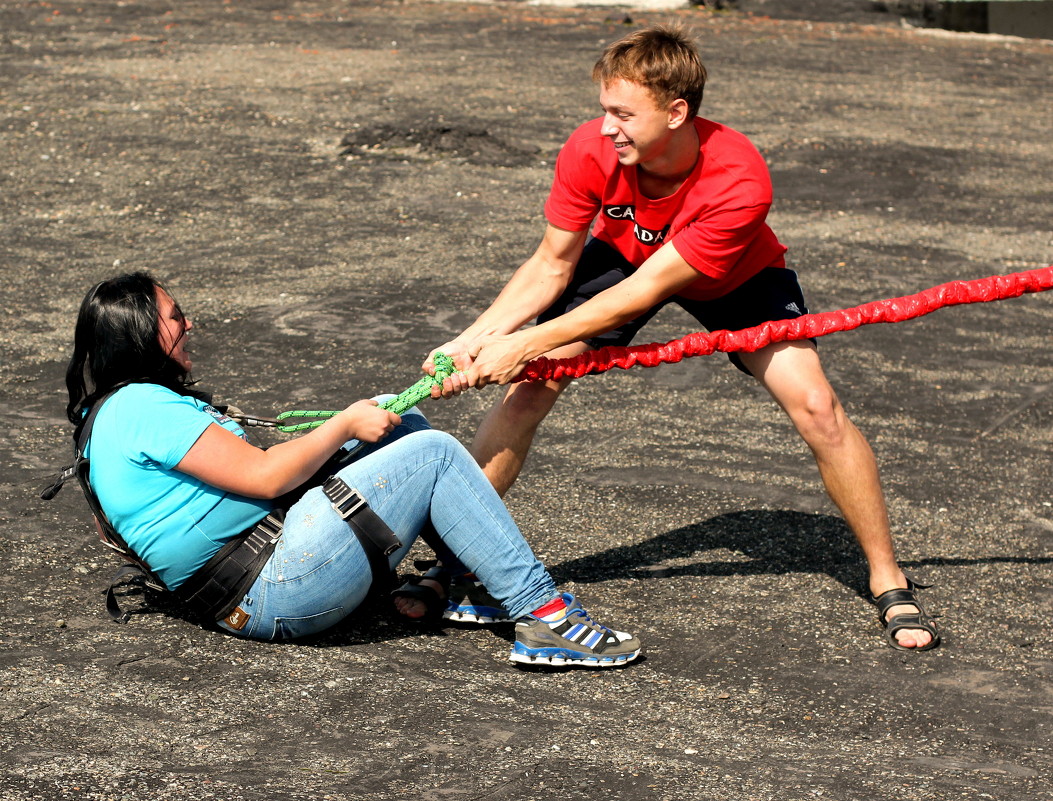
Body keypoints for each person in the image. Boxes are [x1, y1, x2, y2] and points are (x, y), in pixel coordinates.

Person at [424, 24, 939, 652]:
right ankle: (455, 560)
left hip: (735, 276)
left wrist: (523, 345)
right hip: (622, 258)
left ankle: (888, 579)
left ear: (676, 111)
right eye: (603, 110)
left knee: (818, 408)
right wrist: (476, 338)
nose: (606, 127)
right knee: (530, 390)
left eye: (623, 114)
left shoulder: (739, 179)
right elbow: (550, 265)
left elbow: (646, 292)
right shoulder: (593, 149)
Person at [61, 272, 641, 668]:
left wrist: (356, 422)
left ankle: (475, 583)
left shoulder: (112, 412)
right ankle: (545, 618)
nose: (190, 327)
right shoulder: (141, 406)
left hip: (263, 574)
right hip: (273, 589)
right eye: (175, 318)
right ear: (139, 334)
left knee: (404, 425)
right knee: (432, 453)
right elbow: (265, 478)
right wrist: (340, 425)